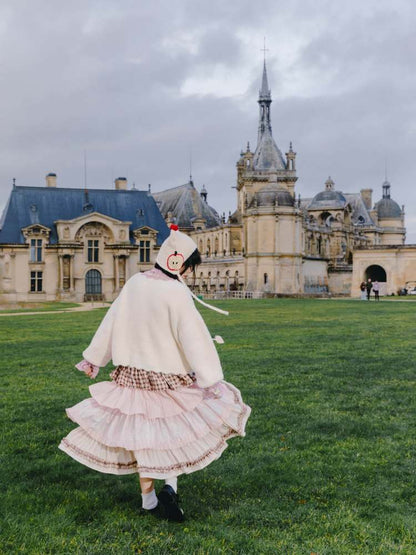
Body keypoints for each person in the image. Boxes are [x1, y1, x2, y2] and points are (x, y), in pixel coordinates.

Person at [59, 225, 251, 523]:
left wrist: (94, 358)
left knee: (143, 438)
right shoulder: (177, 292)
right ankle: (170, 488)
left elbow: (111, 321)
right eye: (188, 267)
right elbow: (194, 337)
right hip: (168, 376)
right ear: (178, 263)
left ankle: (149, 500)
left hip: (132, 376)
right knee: (170, 433)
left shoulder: (135, 283)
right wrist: (210, 378)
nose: (188, 273)